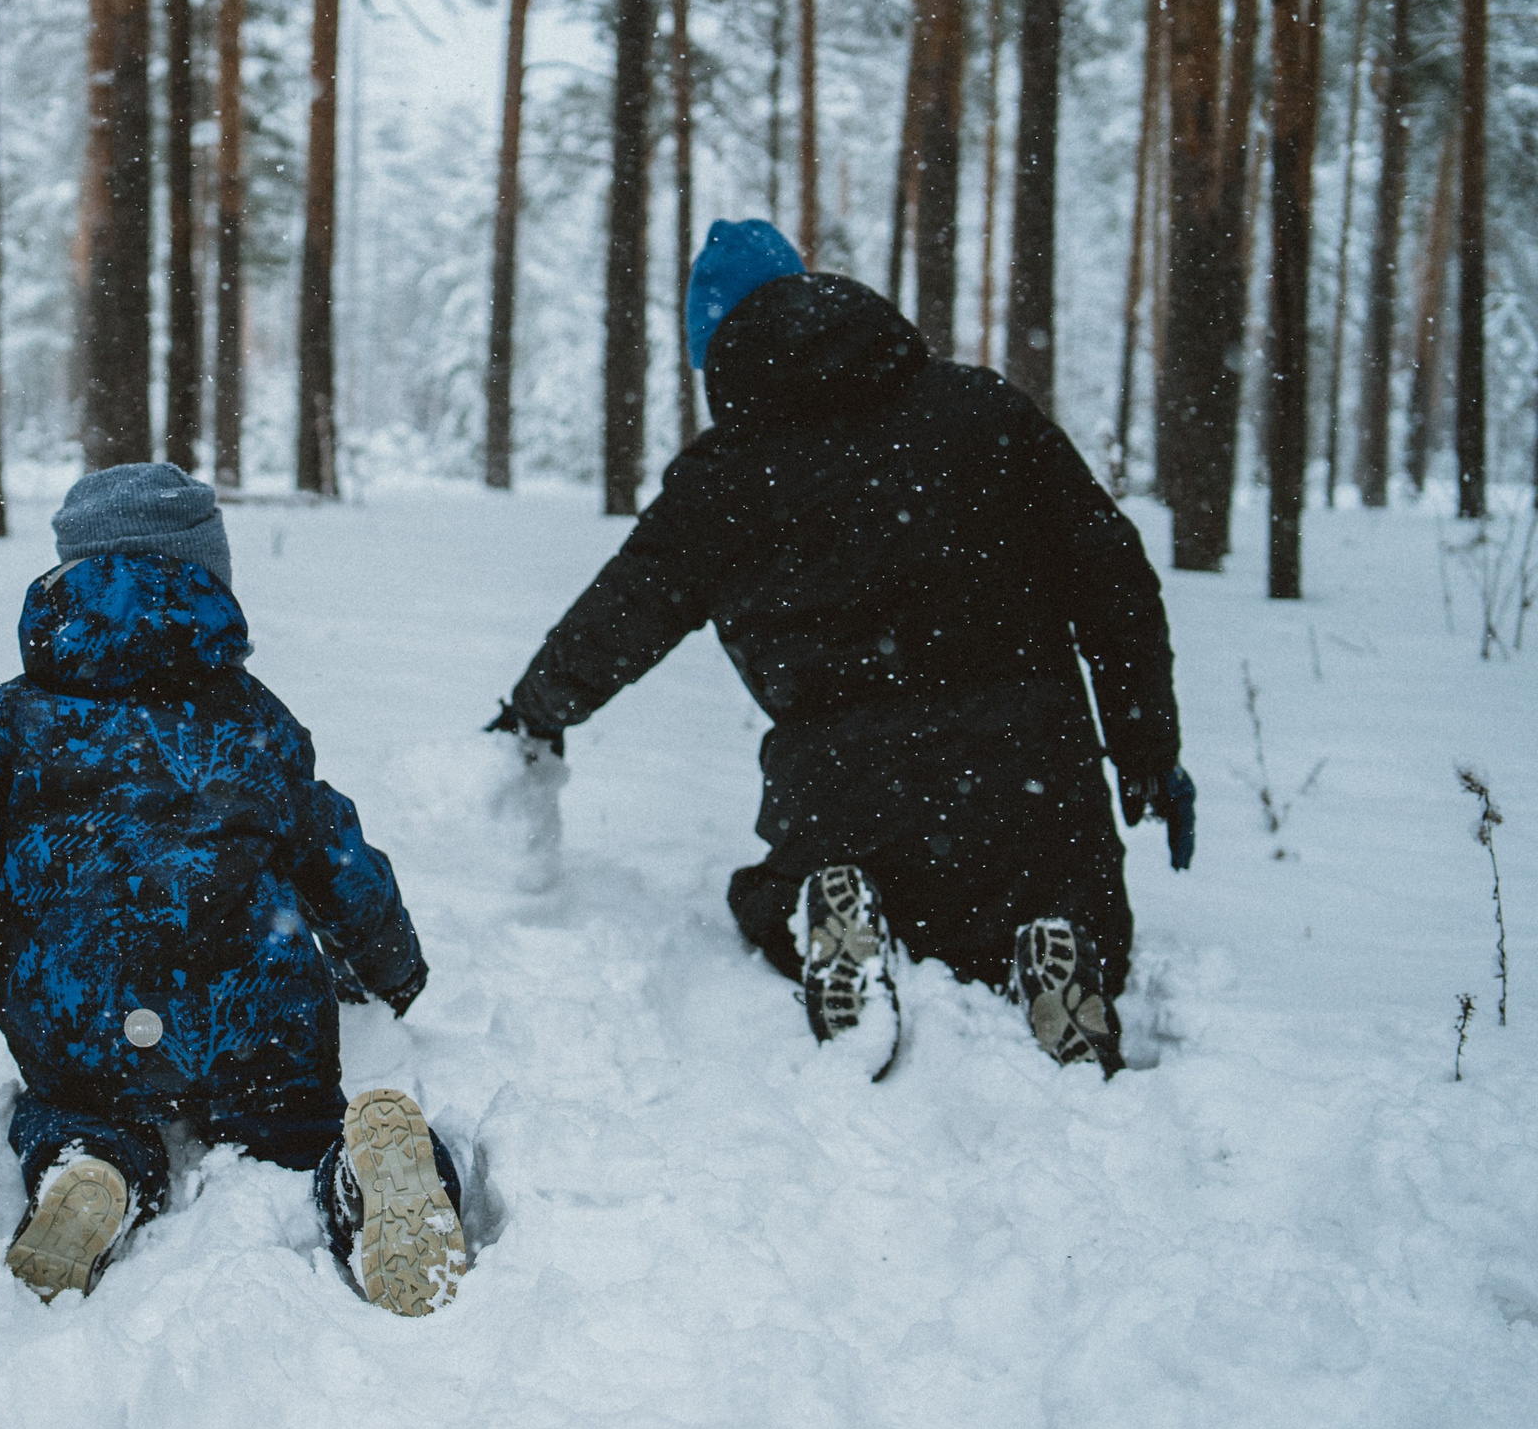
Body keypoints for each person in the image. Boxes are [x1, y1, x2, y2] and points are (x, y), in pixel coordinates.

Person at [492, 220, 1194, 1076]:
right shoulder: (983, 410)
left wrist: (533, 713)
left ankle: (838, 908)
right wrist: (1146, 745)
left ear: (717, 354)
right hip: (1034, 788)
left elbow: (620, 616)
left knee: (771, 896)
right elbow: (1111, 575)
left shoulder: (724, 478)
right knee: (1073, 907)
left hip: (851, 804)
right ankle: (1053, 940)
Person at [0, 462, 465, 1313]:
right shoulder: (253, 719)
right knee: (296, 1127)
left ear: (67, 582)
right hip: (257, 1021)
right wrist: (390, 964)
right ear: (209, 582)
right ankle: (366, 1180)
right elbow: (335, 852)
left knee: (75, 1115)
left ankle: (88, 1169)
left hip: (79, 1027)